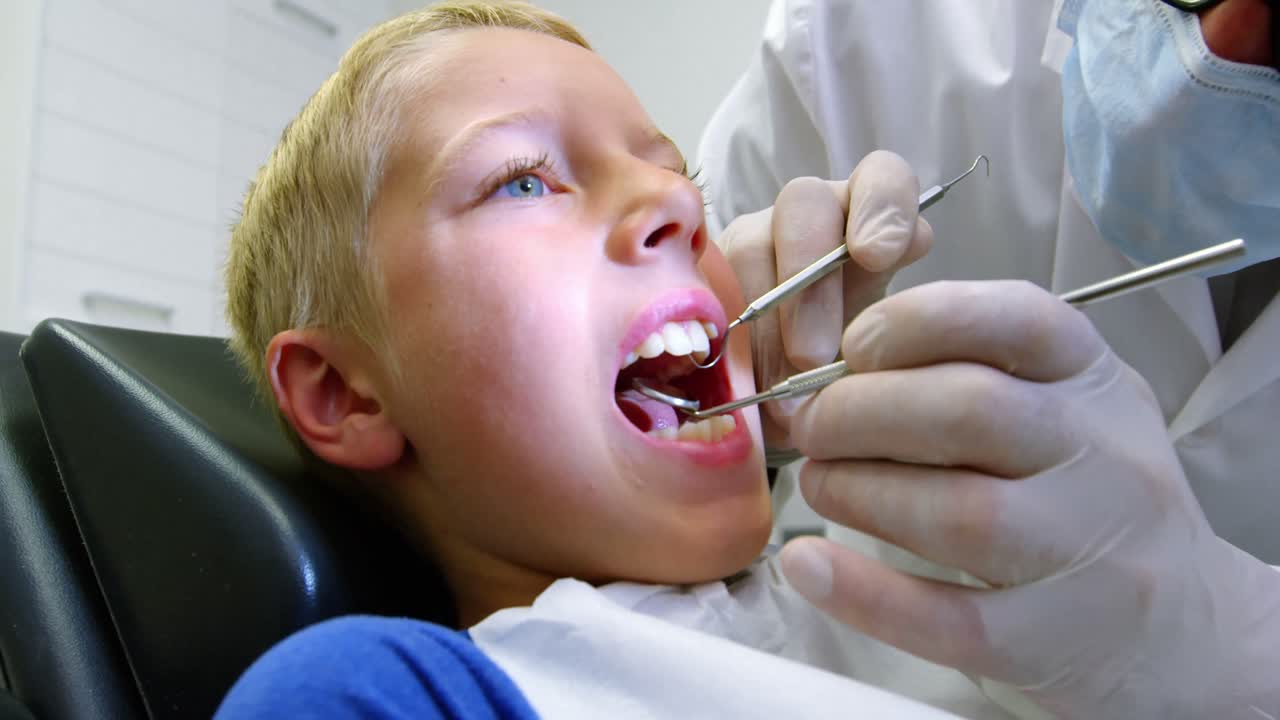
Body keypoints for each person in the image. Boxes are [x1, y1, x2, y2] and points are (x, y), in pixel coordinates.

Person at [211, 2, 1021, 718]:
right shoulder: (392, 693)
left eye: (678, 176)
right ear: (345, 394)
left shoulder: (923, 606)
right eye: (524, 183)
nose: (676, 204)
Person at [699, 0, 1280, 716]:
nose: (1224, 49)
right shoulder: (877, 29)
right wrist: (740, 416)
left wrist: (1240, 649)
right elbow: (639, 433)